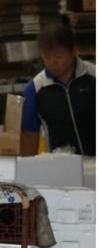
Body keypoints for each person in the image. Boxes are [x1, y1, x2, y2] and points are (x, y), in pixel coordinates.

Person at [22, 23, 95, 156]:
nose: (52, 62)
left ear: (73, 51)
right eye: (46, 57)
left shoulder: (93, 76)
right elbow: (29, 135)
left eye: (58, 56)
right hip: (61, 166)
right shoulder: (35, 89)